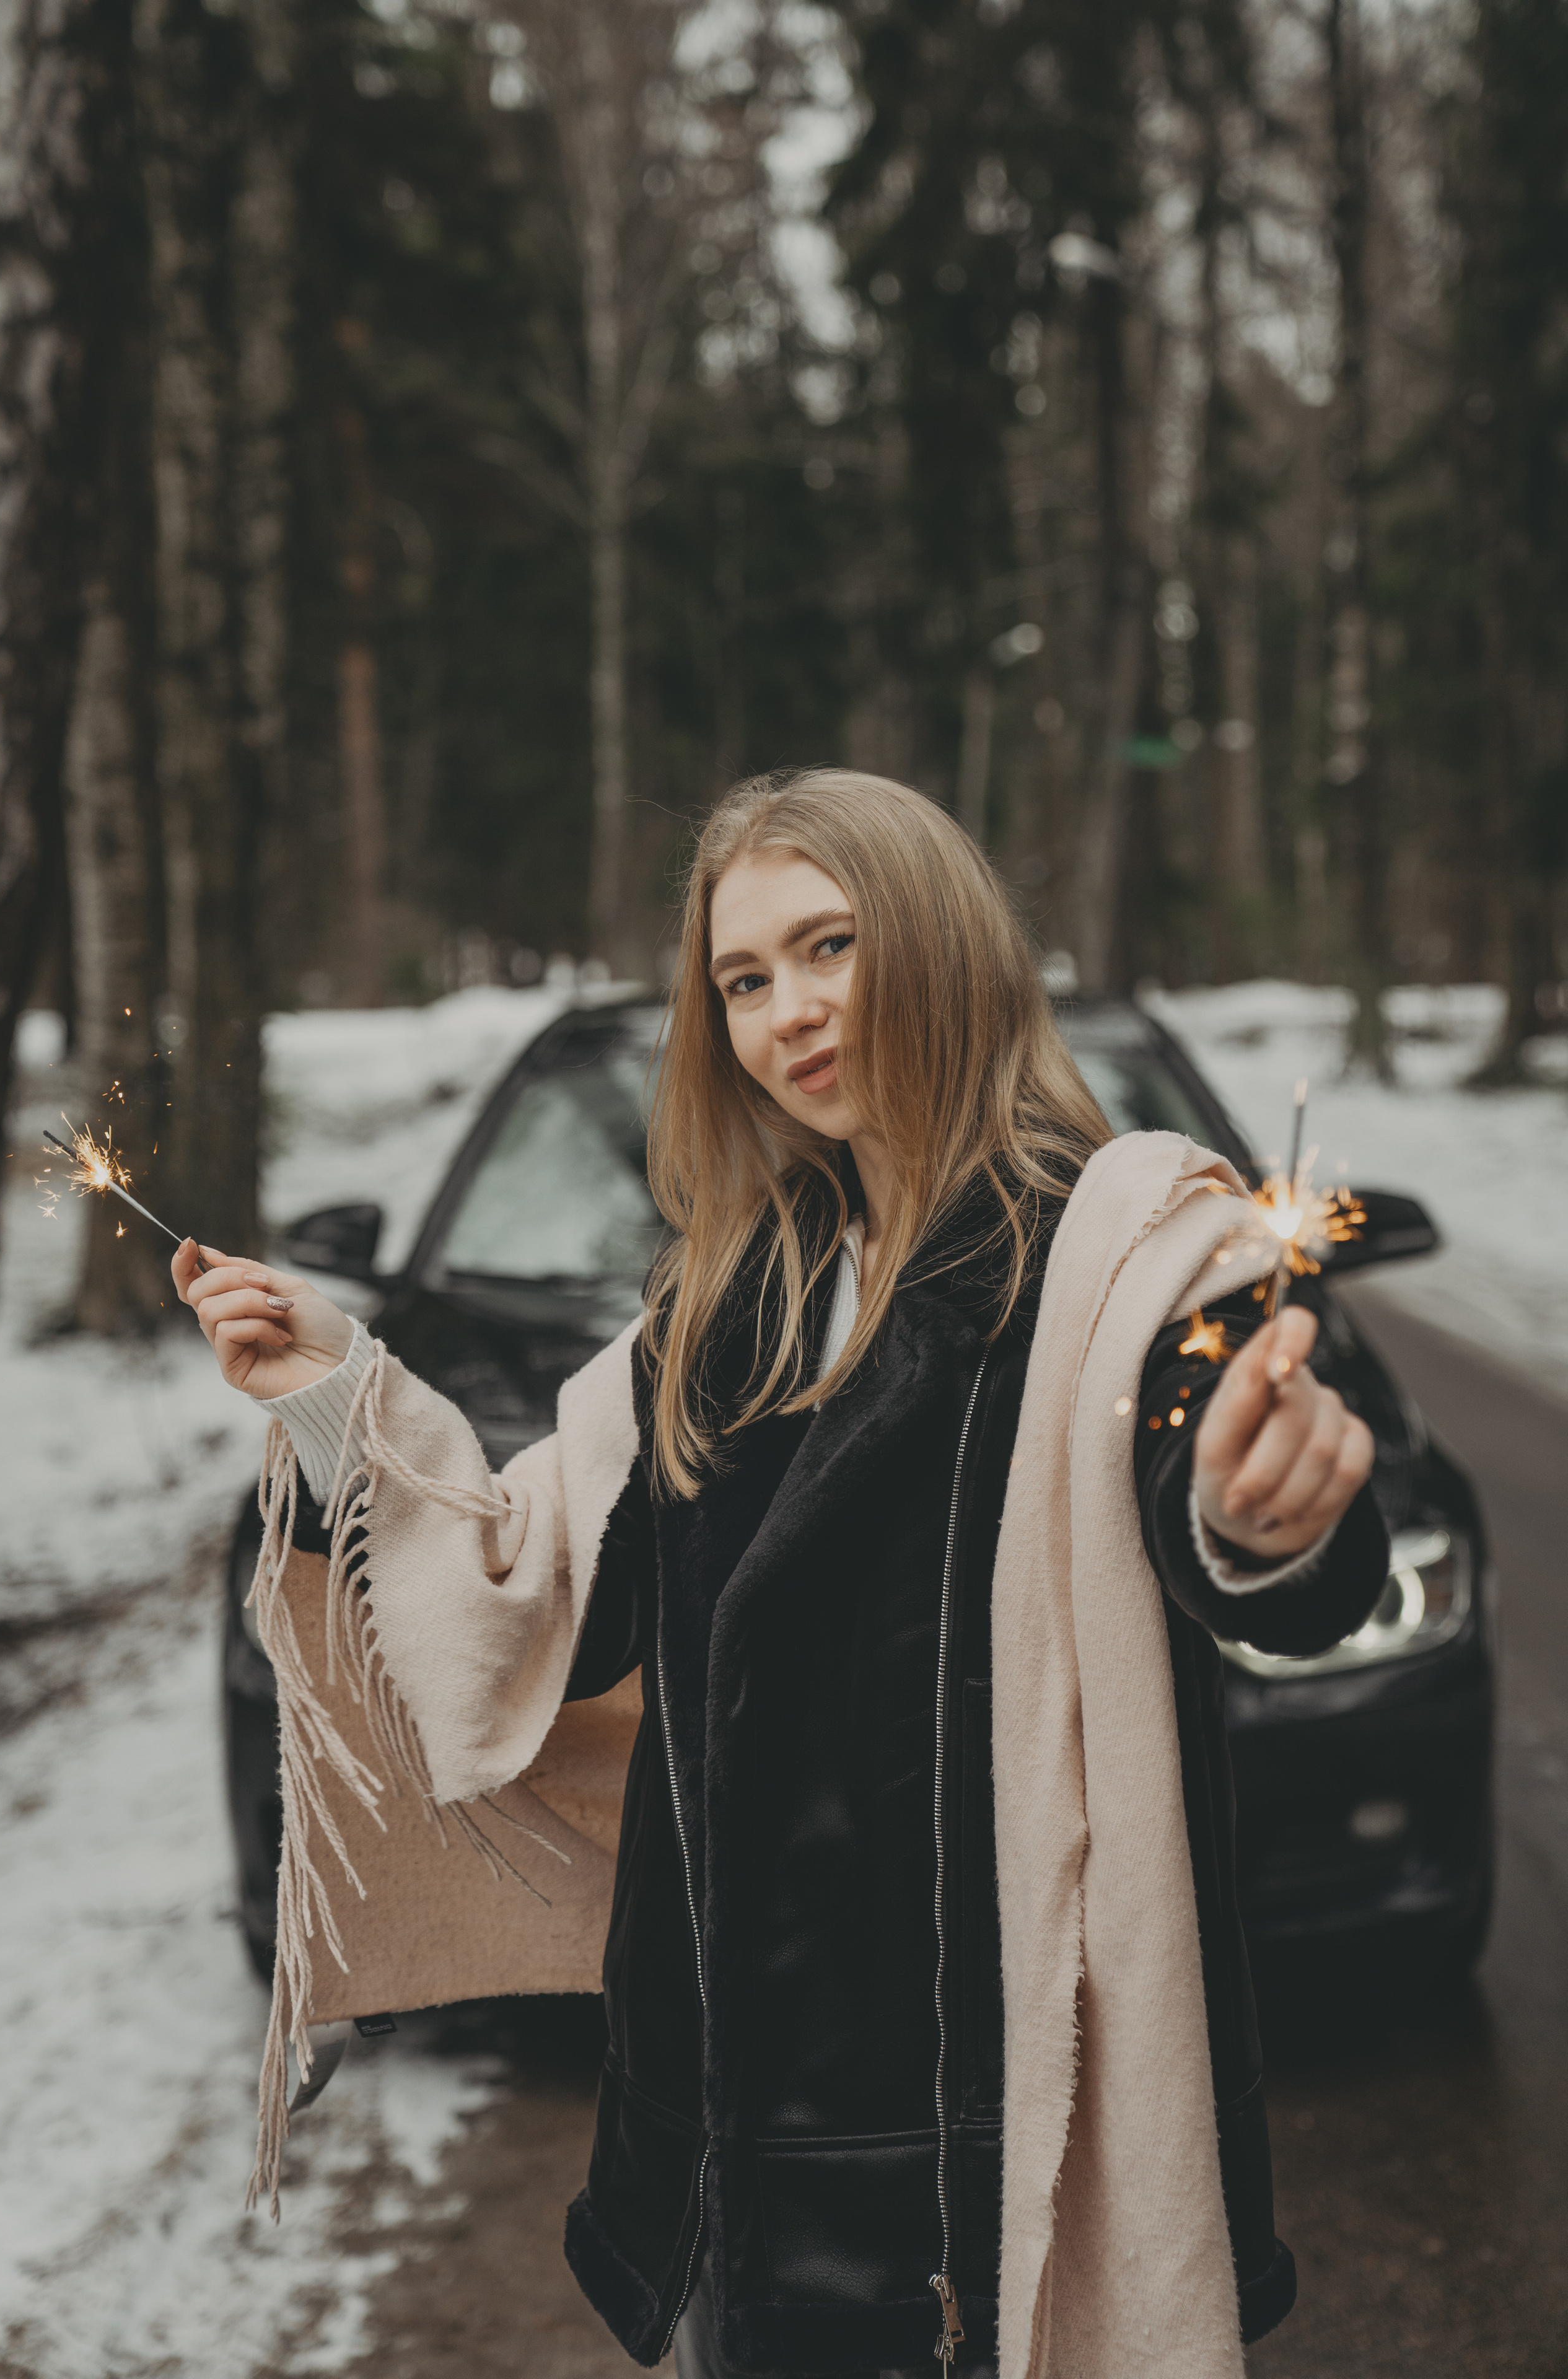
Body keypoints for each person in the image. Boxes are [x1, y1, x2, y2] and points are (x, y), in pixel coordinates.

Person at [176, 771, 1385, 2379]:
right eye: (744, 980)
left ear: (944, 941)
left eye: (830, 947)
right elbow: (532, 1568)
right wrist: (342, 1384)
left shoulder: (1129, 1257)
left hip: (969, 2164)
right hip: (719, 2153)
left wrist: (1270, 1514)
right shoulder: (732, 1301)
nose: (788, 1013)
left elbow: (1239, 1519)